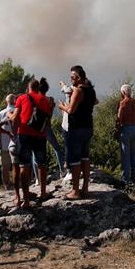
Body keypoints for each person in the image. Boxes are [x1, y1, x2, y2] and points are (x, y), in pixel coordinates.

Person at [58, 65, 97, 200]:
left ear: (78, 77)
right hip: (88, 127)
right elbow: (94, 102)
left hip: (76, 128)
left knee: (75, 160)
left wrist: (62, 106)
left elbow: (71, 110)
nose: (71, 79)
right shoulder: (91, 90)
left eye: (72, 77)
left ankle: (75, 191)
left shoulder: (78, 90)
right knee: (85, 158)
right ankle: (85, 188)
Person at [14, 78, 52, 208]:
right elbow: (48, 120)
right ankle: (42, 193)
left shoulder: (22, 97)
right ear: (38, 87)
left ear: (28, 87)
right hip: (40, 135)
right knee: (41, 164)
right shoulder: (44, 99)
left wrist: (9, 116)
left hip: (24, 134)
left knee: (24, 166)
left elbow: (15, 117)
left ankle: (26, 201)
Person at [33, 79, 67, 183]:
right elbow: (50, 115)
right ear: (47, 89)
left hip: (35, 128)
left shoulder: (33, 99)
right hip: (47, 127)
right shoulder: (50, 100)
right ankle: (62, 171)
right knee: (56, 148)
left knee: (34, 153)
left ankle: (37, 179)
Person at [116, 84, 135, 187]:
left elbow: (119, 119)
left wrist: (117, 130)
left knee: (125, 155)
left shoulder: (122, 103)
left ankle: (125, 181)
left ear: (123, 92)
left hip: (126, 128)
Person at [0, 94, 17, 191]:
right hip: (15, 142)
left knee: (5, 166)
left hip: (4, 143)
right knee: (15, 165)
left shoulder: (1, 113)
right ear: (15, 101)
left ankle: (7, 186)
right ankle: (16, 184)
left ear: (6, 101)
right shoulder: (17, 111)